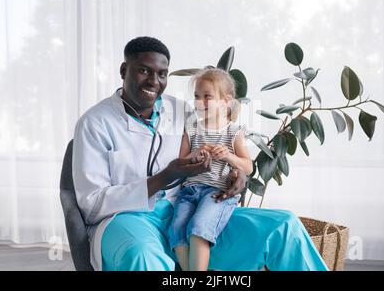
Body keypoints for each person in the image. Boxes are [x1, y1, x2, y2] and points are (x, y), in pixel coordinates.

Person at [72, 36, 328, 271]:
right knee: (144, 257)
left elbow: (226, 146)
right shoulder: (95, 123)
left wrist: (238, 177)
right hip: (126, 220)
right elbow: (91, 205)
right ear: (123, 70)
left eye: (162, 74)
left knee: (284, 227)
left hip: (191, 212)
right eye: (143, 71)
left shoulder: (185, 111)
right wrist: (163, 177)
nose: (154, 81)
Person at [169, 69, 253, 271]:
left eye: (208, 97)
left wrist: (229, 156)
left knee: (199, 228)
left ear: (226, 101)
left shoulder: (234, 132)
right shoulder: (191, 128)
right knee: (176, 230)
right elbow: (182, 162)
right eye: (197, 96)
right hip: (189, 190)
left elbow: (248, 167)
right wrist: (196, 154)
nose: (200, 102)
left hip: (216, 192)